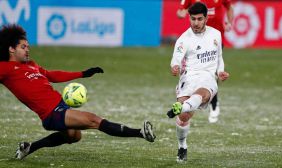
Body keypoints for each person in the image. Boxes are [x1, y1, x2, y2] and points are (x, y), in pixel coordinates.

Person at [0, 24, 156, 160]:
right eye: (23, 47)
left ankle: (29, 147)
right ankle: (141, 133)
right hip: (51, 113)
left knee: (74, 137)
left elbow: (52, 75)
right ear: (11, 49)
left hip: (60, 106)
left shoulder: (31, 64)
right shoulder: (5, 68)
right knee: (94, 120)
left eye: (28, 46)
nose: (27, 50)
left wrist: (82, 73)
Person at [167, 2, 229, 162]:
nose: (196, 23)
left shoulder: (216, 34)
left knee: (202, 94)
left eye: (199, 19)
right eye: (193, 19)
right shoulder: (184, 39)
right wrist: (174, 67)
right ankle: (182, 146)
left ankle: (182, 106)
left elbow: (219, 57)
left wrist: (220, 71)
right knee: (184, 117)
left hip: (208, 77)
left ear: (206, 18)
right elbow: (176, 59)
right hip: (188, 78)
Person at [177, 0, 233, 123]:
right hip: (197, 40)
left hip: (215, 40)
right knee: (198, 71)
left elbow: (229, 7)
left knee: (212, 73)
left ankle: (213, 104)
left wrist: (229, 22)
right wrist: (185, 12)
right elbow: (180, 12)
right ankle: (192, 100)